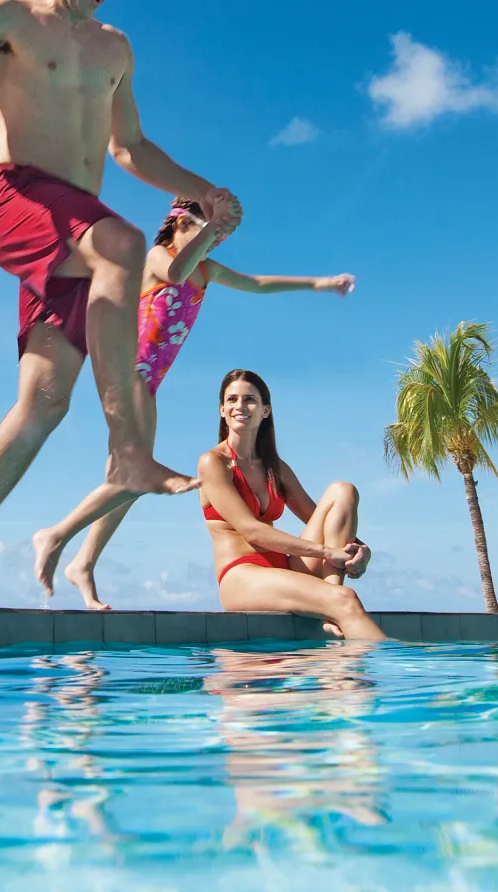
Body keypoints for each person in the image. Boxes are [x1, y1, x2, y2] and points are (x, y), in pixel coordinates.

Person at [0, 0, 243, 616]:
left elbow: (130, 150)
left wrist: (200, 192)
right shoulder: (11, 17)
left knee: (45, 400)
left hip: (74, 237)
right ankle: (127, 449)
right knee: (122, 244)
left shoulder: (115, 49)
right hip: (15, 198)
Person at [32, 198, 356, 608]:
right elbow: (174, 271)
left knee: (131, 479)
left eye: (222, 237)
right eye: (213, 233)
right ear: (182, 222)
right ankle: (57, 536)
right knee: (136, 475)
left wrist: (320, 284)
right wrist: (210, 230)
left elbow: (257, 284)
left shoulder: (206, 270)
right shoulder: (157, 257)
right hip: (125, 371)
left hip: (149, 384)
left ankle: (82, 561)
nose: (217, 243)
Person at [198, 367, 384, 641]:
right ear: (222, 410)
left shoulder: (276, 468)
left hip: (284, 568)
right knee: (345, 600)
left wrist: (363, 549)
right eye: (232, 399)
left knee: (342, 491)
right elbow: (252, 531)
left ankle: (329, 604)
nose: (240, 406)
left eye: (250, 399)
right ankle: (339, 613)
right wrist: (325, 553)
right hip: (242, 576)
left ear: (265, 410)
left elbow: (317, 516)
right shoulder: (213, 463)